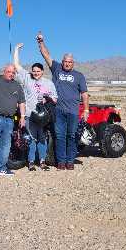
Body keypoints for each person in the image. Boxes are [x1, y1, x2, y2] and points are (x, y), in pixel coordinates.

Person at [36, 34, 89, 170]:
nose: (67, 63)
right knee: (59, 136)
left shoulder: (79, 76)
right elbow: (46, 55)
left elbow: (84, 94)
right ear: (62, 61)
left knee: (71, 136)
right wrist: (41, 42)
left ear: (73, 63)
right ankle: (61, 161)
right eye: (65, 61)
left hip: (73, 111)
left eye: (70, 62)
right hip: (58, 110)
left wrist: (86, 110)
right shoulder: (57, 69)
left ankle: (70, 161)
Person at [13, 43, 57, 171]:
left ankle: (42, 161)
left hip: (43, 116)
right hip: (29, 115)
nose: (36, 73)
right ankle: (31, 162)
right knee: (32, 138)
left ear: (42, 72)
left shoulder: (48, 83)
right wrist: (16, 50)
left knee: (42, 138)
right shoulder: (27, 78)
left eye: (38, 71)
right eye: (34, 71)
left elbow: (55, 99)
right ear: (31, 71)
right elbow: (16, 65)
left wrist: (47, 98)